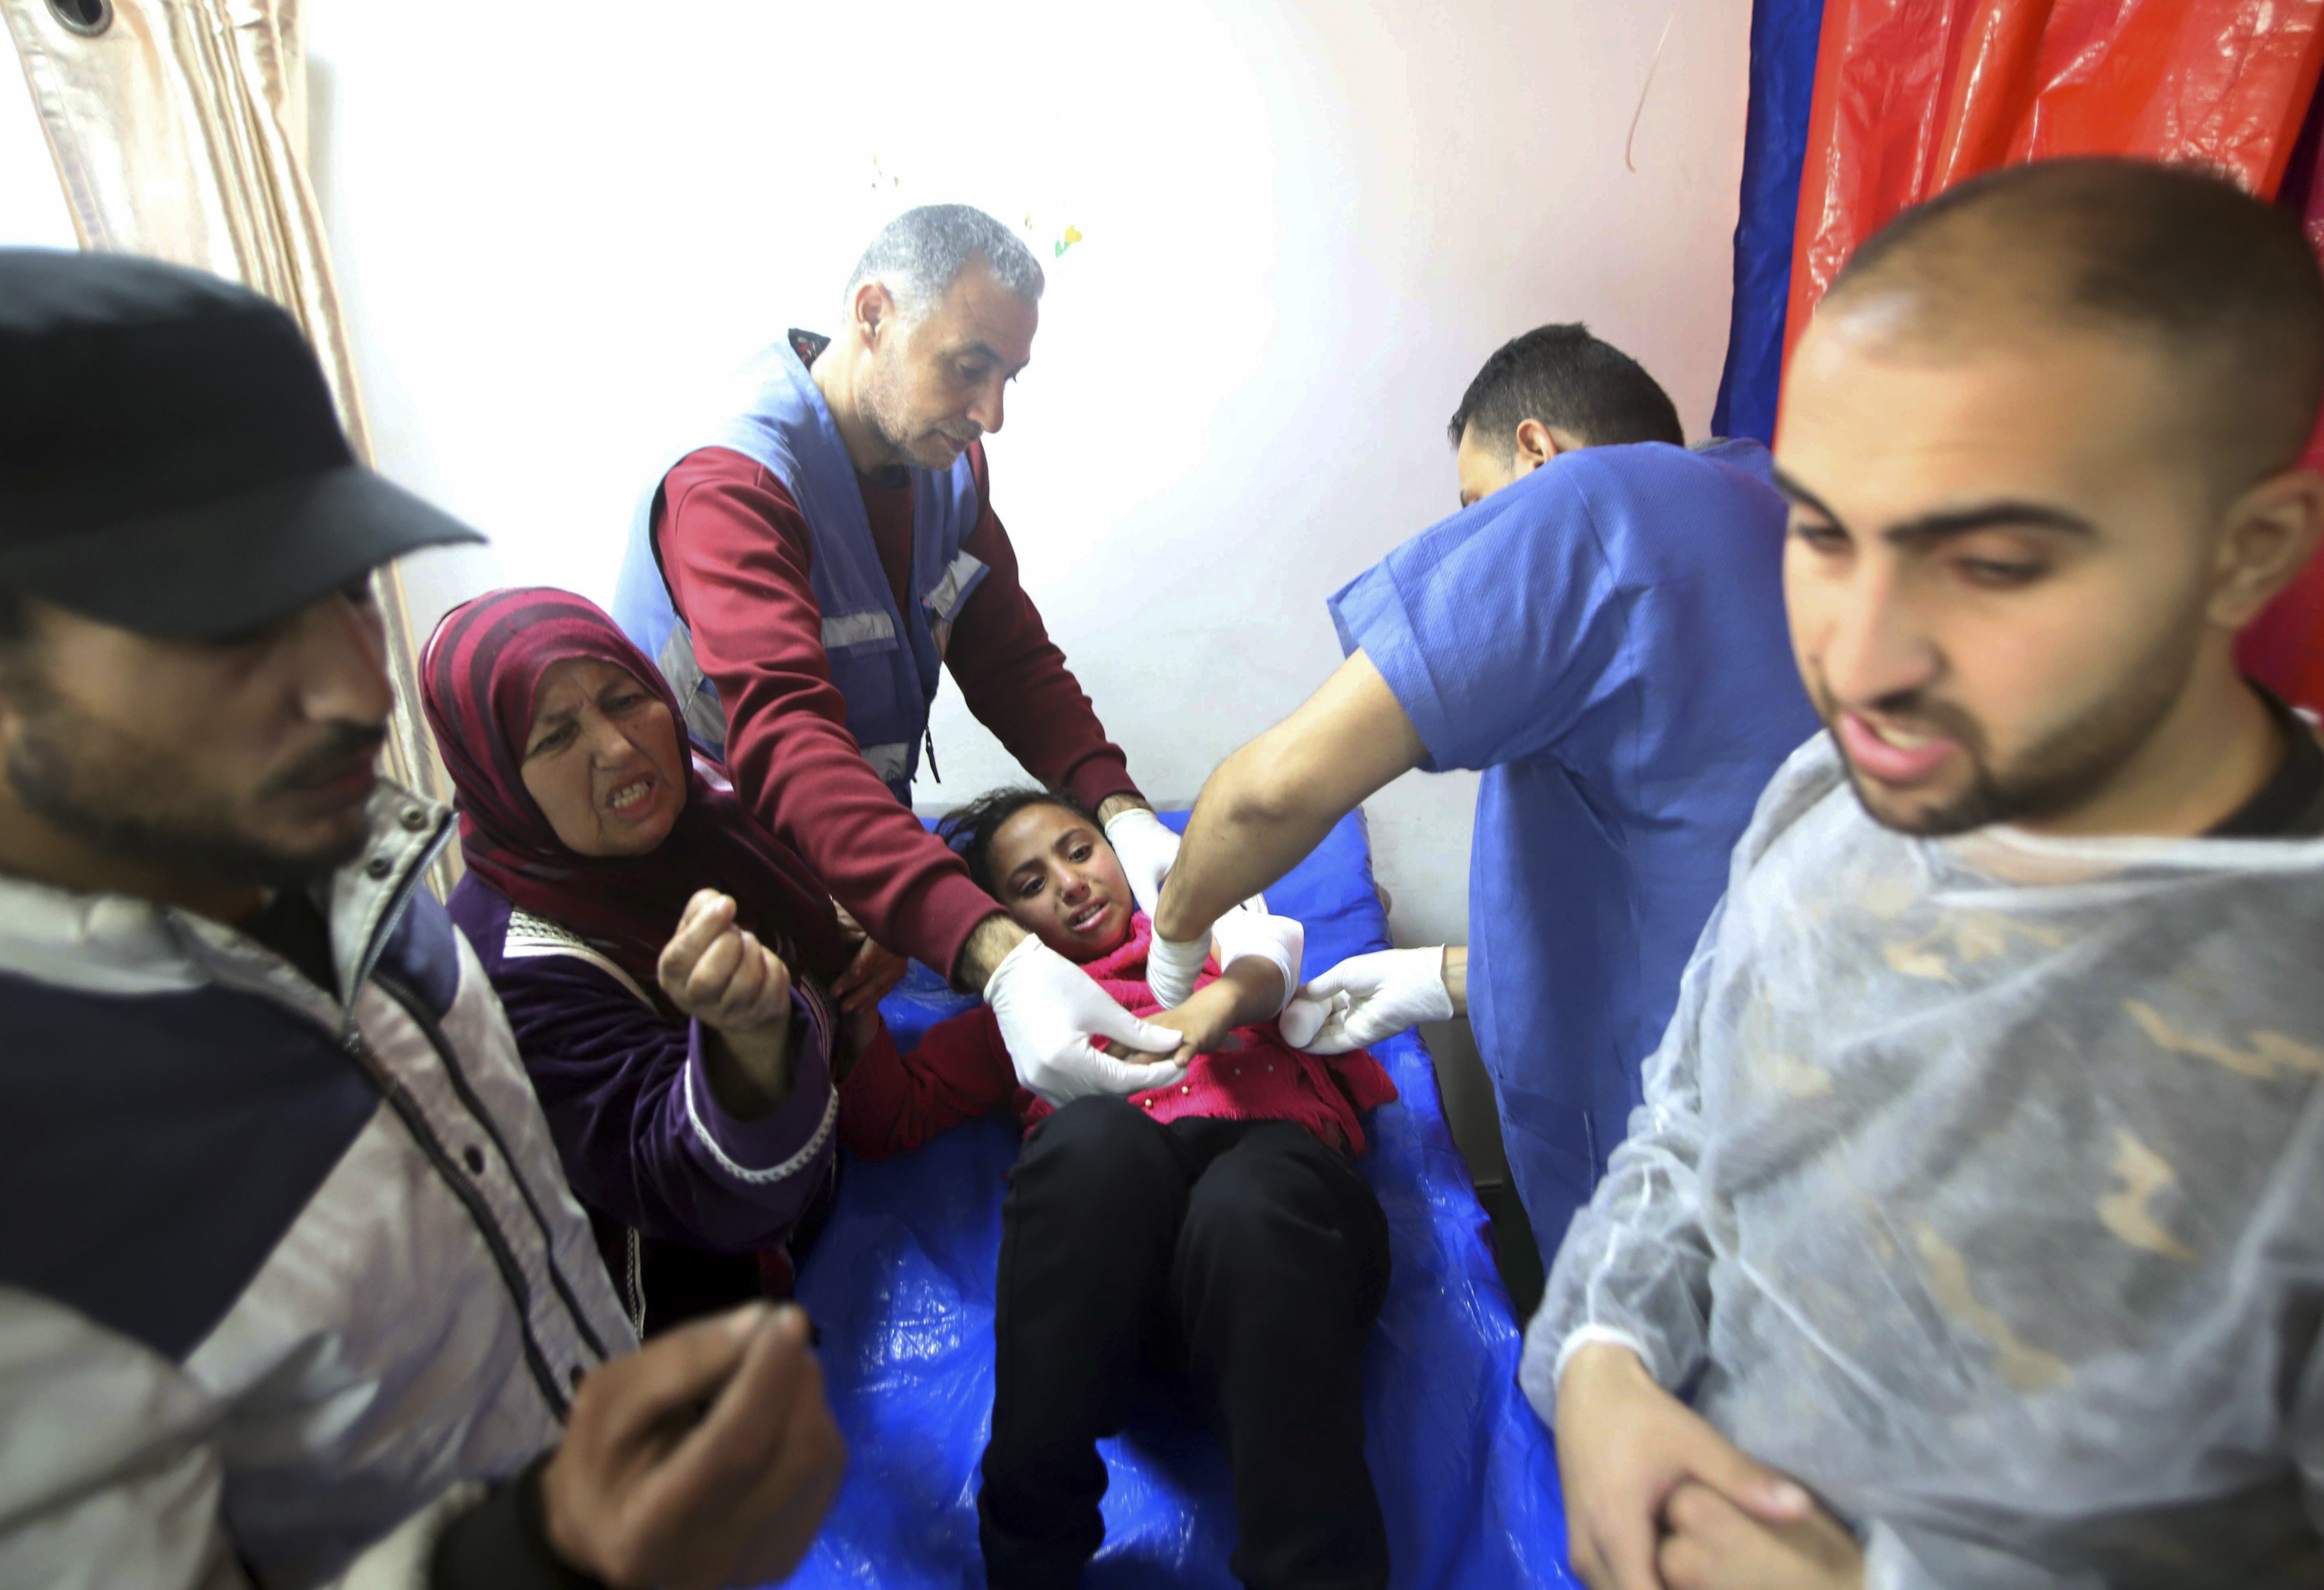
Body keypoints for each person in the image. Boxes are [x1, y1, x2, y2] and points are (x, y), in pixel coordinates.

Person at [1534, 158, 2324, 1590]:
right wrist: (1599, 1364)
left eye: (1998, 564)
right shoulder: (1829, 795)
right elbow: (1693, 1122)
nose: (1861, 660)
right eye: (1823, 535)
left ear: (2243, 553)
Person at [0, 250, 841, 1589]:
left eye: (346, 589)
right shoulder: (43, 1178)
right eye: (229, 624)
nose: (351, 684)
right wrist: (541, 1559)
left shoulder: (378, 896)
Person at [1151, 324, 1818, 1267]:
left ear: (1538, 451)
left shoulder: (1588, 505)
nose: (1477, 534)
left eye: (1475, 506)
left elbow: (1269, 796)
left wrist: (1173, 935)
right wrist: (1447, 978)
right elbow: (1694, 865)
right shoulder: (1765, 499)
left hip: (1681, 1158)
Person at [613, 203, 1190, 1103]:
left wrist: (1120, 812)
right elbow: (789, 740)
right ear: (873, 315)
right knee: (780, 1109)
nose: (991, 415)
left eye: (1010, 377)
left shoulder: (945, 466)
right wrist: (996, 953)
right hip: (713, 873)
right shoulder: (732, 484)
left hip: (846, 841)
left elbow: (1009, 656)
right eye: (969, 369)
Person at [838, 788, 1397, 1590]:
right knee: (1094, 1137)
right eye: (1029, 885)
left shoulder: (1222, 949)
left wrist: (1220, 997)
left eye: (1077, 850)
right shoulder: (1020, 1017)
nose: (1070, 883)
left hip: (1285, 1269)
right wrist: (857, 1014)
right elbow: (889, 1120)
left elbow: (1277, 961)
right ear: (1000, 930)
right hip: (1119, 1299)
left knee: (1251, 1197)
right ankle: (1030, 1554)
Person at [423, 587, 881, 1336]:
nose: (618, 747)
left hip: (819, 1183)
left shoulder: (696, 796)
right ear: (498, 777)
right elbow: (696, 1189)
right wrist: (749, 1043)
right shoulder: (513, 970)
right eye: (555, 737)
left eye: (626, 696)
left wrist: (868, 909)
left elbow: (810, 866)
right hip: (681, 1325)